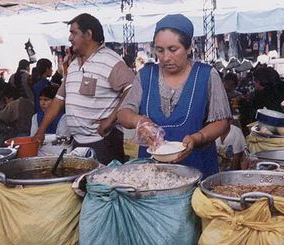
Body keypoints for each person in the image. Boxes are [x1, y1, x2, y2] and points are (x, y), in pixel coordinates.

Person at [117, 14, 231, 177]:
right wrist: (139, 122)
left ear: (189, 48)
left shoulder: (206, 75)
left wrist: (197, 138)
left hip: (197, 166)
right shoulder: (146, 76)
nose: (165, 58)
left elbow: (222, 122)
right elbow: (123, 113)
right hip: (152, 172)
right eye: (159, 50)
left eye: (173, 49)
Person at [34, 13, 135, 165]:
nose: (69, 38)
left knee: (103, 186)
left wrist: (110, 120)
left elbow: (132, 89)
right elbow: (58, 100)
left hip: (104, 142)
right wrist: (41, 131)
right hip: (78, 142)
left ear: (88, 34)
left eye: (73, 33)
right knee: (81, 186)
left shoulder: (110, 60)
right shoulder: (74, 65)